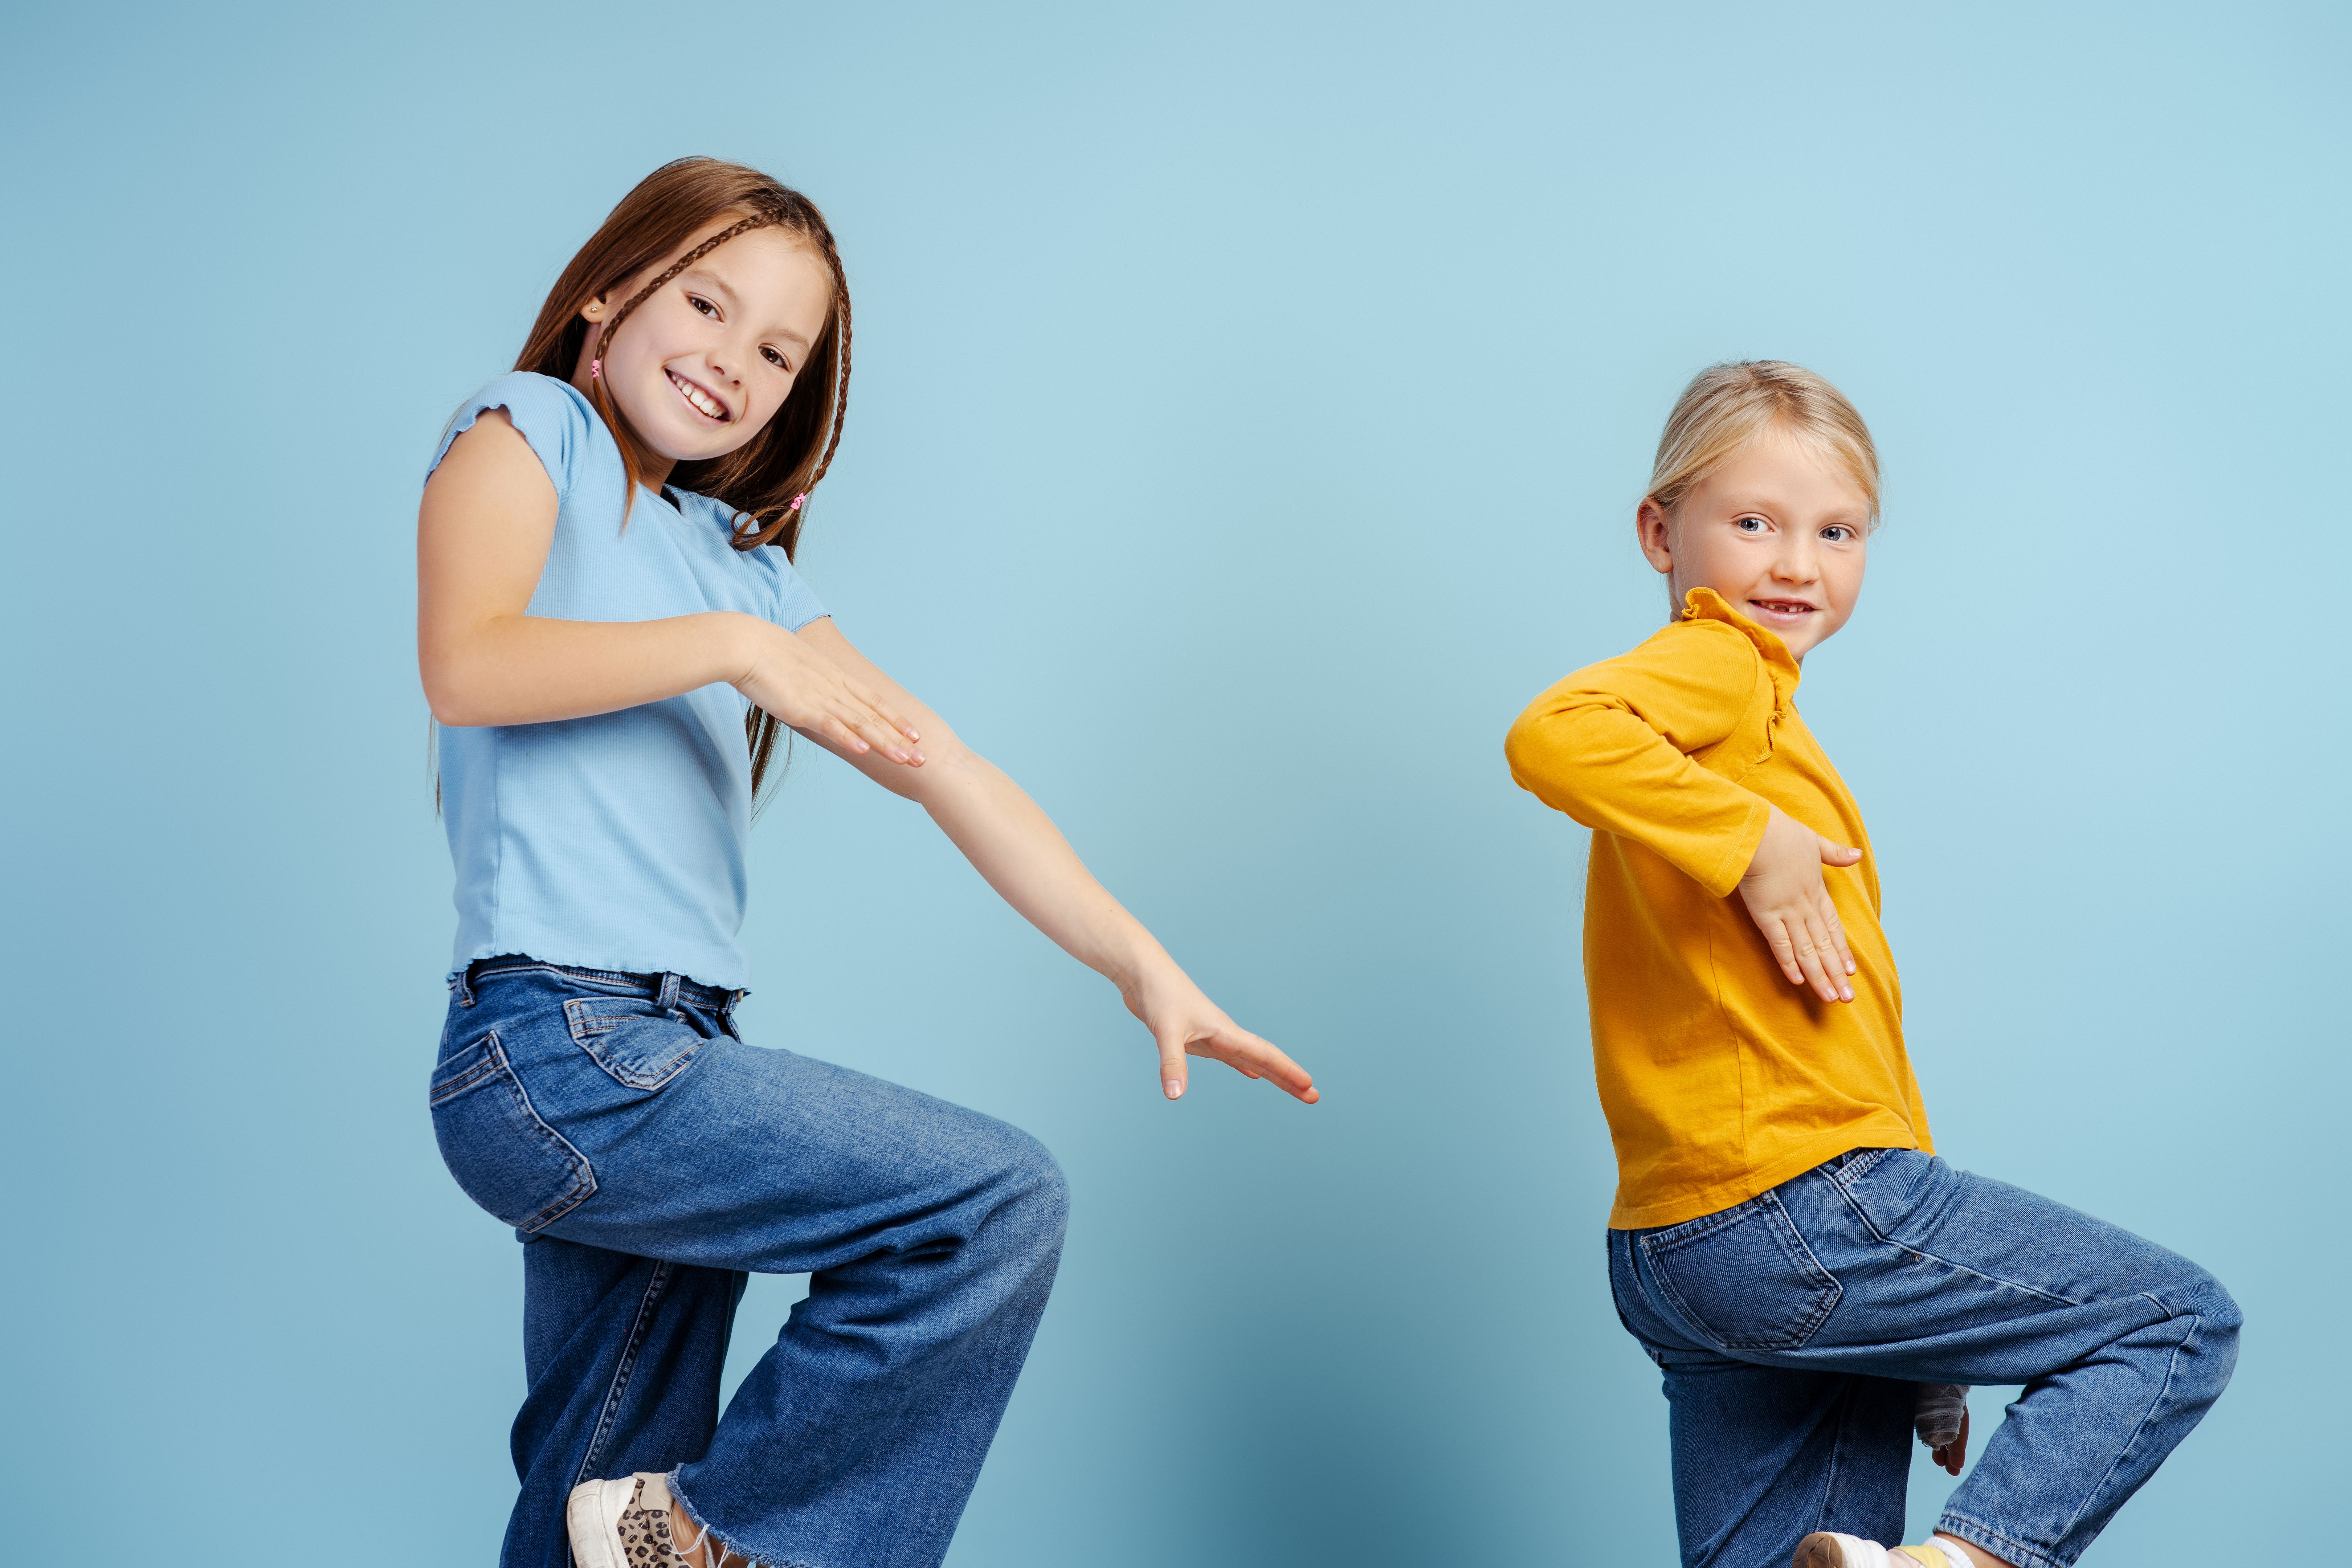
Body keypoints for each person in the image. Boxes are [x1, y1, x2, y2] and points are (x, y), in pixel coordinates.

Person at [417, 157, 1317, 1568]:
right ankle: (730, 1539)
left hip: (664, 1048)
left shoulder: (745, 568)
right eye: (705, 304)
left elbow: (941, 766)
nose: (732, 362)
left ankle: (666, 1531)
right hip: (560, 1050)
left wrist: (1140, 961)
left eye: (776, 352)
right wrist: (731, 651)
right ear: (608, 288)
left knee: (599, 1494)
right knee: (986, 1205)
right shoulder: (534, 431)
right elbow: (468, 662)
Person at [1502, 362, 2236, 1568]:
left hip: (1689, 1241)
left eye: (1836, 532)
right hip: (1792, 1204)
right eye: (1754, 524)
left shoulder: (1755, 725)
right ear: (1659, 532)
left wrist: (1925, 1337)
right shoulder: (1719, 672)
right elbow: (1550, 732)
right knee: (2175, 1320)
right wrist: (1755, 843)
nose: (1797, 564)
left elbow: (1842, 1030)